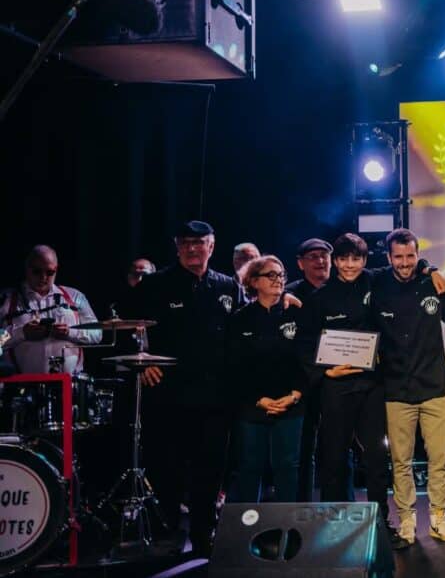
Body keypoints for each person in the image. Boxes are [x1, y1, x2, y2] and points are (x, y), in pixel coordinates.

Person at [129, 220, 244, 556]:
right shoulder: (155, 285)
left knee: (211, 466)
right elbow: (131, 328)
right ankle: (167, 534)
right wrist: (144, 361)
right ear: (177, 246)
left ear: (212, 245)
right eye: (185, 243)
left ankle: (204, 534)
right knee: (168, 465)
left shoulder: (227, 285)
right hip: (170, 392)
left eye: (199, 242)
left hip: (215, 394)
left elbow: (243, 330)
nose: (192, 248)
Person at [370, 228, 445, 546]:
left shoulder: (431, 282)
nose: (405, 262)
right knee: (401, 462)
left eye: (411, 256)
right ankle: (406, 520)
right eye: (399, 257)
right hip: (396, 390)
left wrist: (430, 269)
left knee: (440, 460)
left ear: (418, 254)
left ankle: (439, 518)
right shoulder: (378, 283)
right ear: (389, 257)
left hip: (435, 386)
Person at [301, 234, 389, 531]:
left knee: (376, 456)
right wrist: (326, 373)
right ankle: (333, 523)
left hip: (371, 385)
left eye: (356, 259)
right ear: (335, 261)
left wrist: (428, 267)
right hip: (335, 386)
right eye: (343, 259)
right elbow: (305, 344)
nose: (350, 265)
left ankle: (380, 521)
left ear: (365, 260)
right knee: (334, 456)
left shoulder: (375, 282)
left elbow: (406, 267)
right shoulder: (319, 298)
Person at [227, 255, 305, 502]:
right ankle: (248, 523)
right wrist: (258, 399)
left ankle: (287, 523)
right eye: (270, 275)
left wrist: (295, 395)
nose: (278, 280)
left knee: (288, 467)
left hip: (291, 404)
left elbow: (307, 359)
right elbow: (235, 367)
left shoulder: (297, 314)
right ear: (254, 281)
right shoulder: (240, 319)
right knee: (250, 468)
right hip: (252, 405)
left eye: (281, 275)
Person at [285, 237, 336, 502]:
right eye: (313, 256)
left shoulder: (342, 288)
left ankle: (340, 509)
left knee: (339, 450)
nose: (320, 261)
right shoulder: (287, 294)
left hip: (337, 381)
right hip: (302, 384)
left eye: (324, 255)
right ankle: (301, 511)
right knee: (302, 451)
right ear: (300, 263)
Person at [0, 245, 101, 374]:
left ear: (56, 269)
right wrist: (22, 333)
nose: (43, 277)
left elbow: (97, 333)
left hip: (70, 382)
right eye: (37, 271)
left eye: (49, 272)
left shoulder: (75, 297)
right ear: (27, 269)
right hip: (20, 384)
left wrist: (70, 332)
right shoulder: (6, 299)